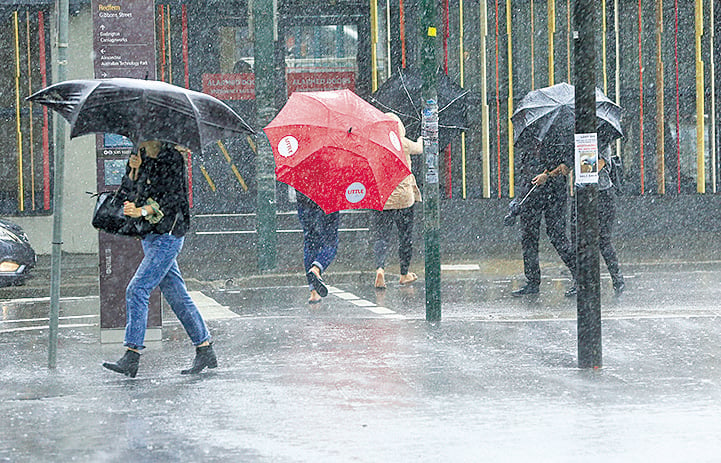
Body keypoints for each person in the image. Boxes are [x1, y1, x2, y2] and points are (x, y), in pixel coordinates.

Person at [102, 140, 217, 378]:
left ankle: (132, 355)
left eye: (143, 135)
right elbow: (129, 193)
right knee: (177, 295)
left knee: (137, 289)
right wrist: (133, 171)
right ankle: (204, 349)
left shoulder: (172, 159)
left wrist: (143, 211)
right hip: (150, 235)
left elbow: (172, 200)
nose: (137, 140)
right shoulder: (141, 156)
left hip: (169, 234)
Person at [512, 137, 577, 297]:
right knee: (528, 237)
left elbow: (566, 167)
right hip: (531, 191)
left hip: (553, 193)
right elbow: (525, 167)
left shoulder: (561, 138)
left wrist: (547, 175)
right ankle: (532, 281)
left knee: (557, 236)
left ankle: (579, 275)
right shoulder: (530, 138)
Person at [374, 113, 424, 288]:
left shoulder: (376, 145)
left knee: (381, 236)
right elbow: (420, 148)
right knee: (405, 236)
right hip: (404, 199)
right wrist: (421, 138)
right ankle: (404, 273)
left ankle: (380, 268)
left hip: (383, 198)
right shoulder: (402, 143)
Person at [570, 144, 625, 296]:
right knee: (578, 239)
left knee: (603, 240)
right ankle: (580, 281)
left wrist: (584, 172)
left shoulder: (602, 141)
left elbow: (601, 163)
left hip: (601, 194)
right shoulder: (577, 139)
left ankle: (617, 278)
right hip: (582, 194)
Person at [296, 190, 340, 303]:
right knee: (331, 243)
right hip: (328, 198)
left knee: (310, 243)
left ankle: (314, 292)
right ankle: (317, 268)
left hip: (304, 198)